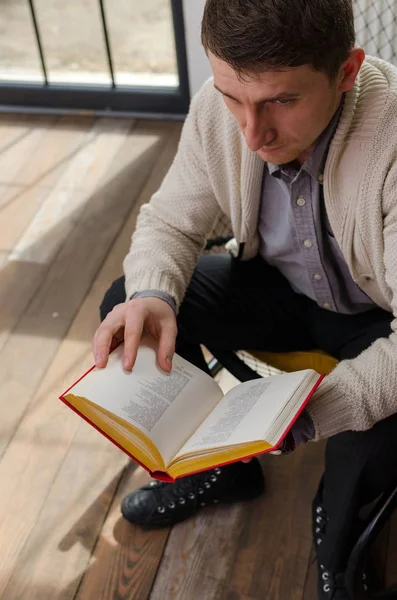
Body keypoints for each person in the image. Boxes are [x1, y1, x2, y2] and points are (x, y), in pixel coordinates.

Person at [94, 0, 397, 597]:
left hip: (379, 320)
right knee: (126, 303)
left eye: (281, 101)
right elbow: (171, 223)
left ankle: (341, 553)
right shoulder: (220, 109)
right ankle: (224, 470)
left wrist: (314, 410)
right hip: (280, 289)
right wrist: (153, 294)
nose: (252, 133)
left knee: (364, 450)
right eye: (233, 96)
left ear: (346, 71)